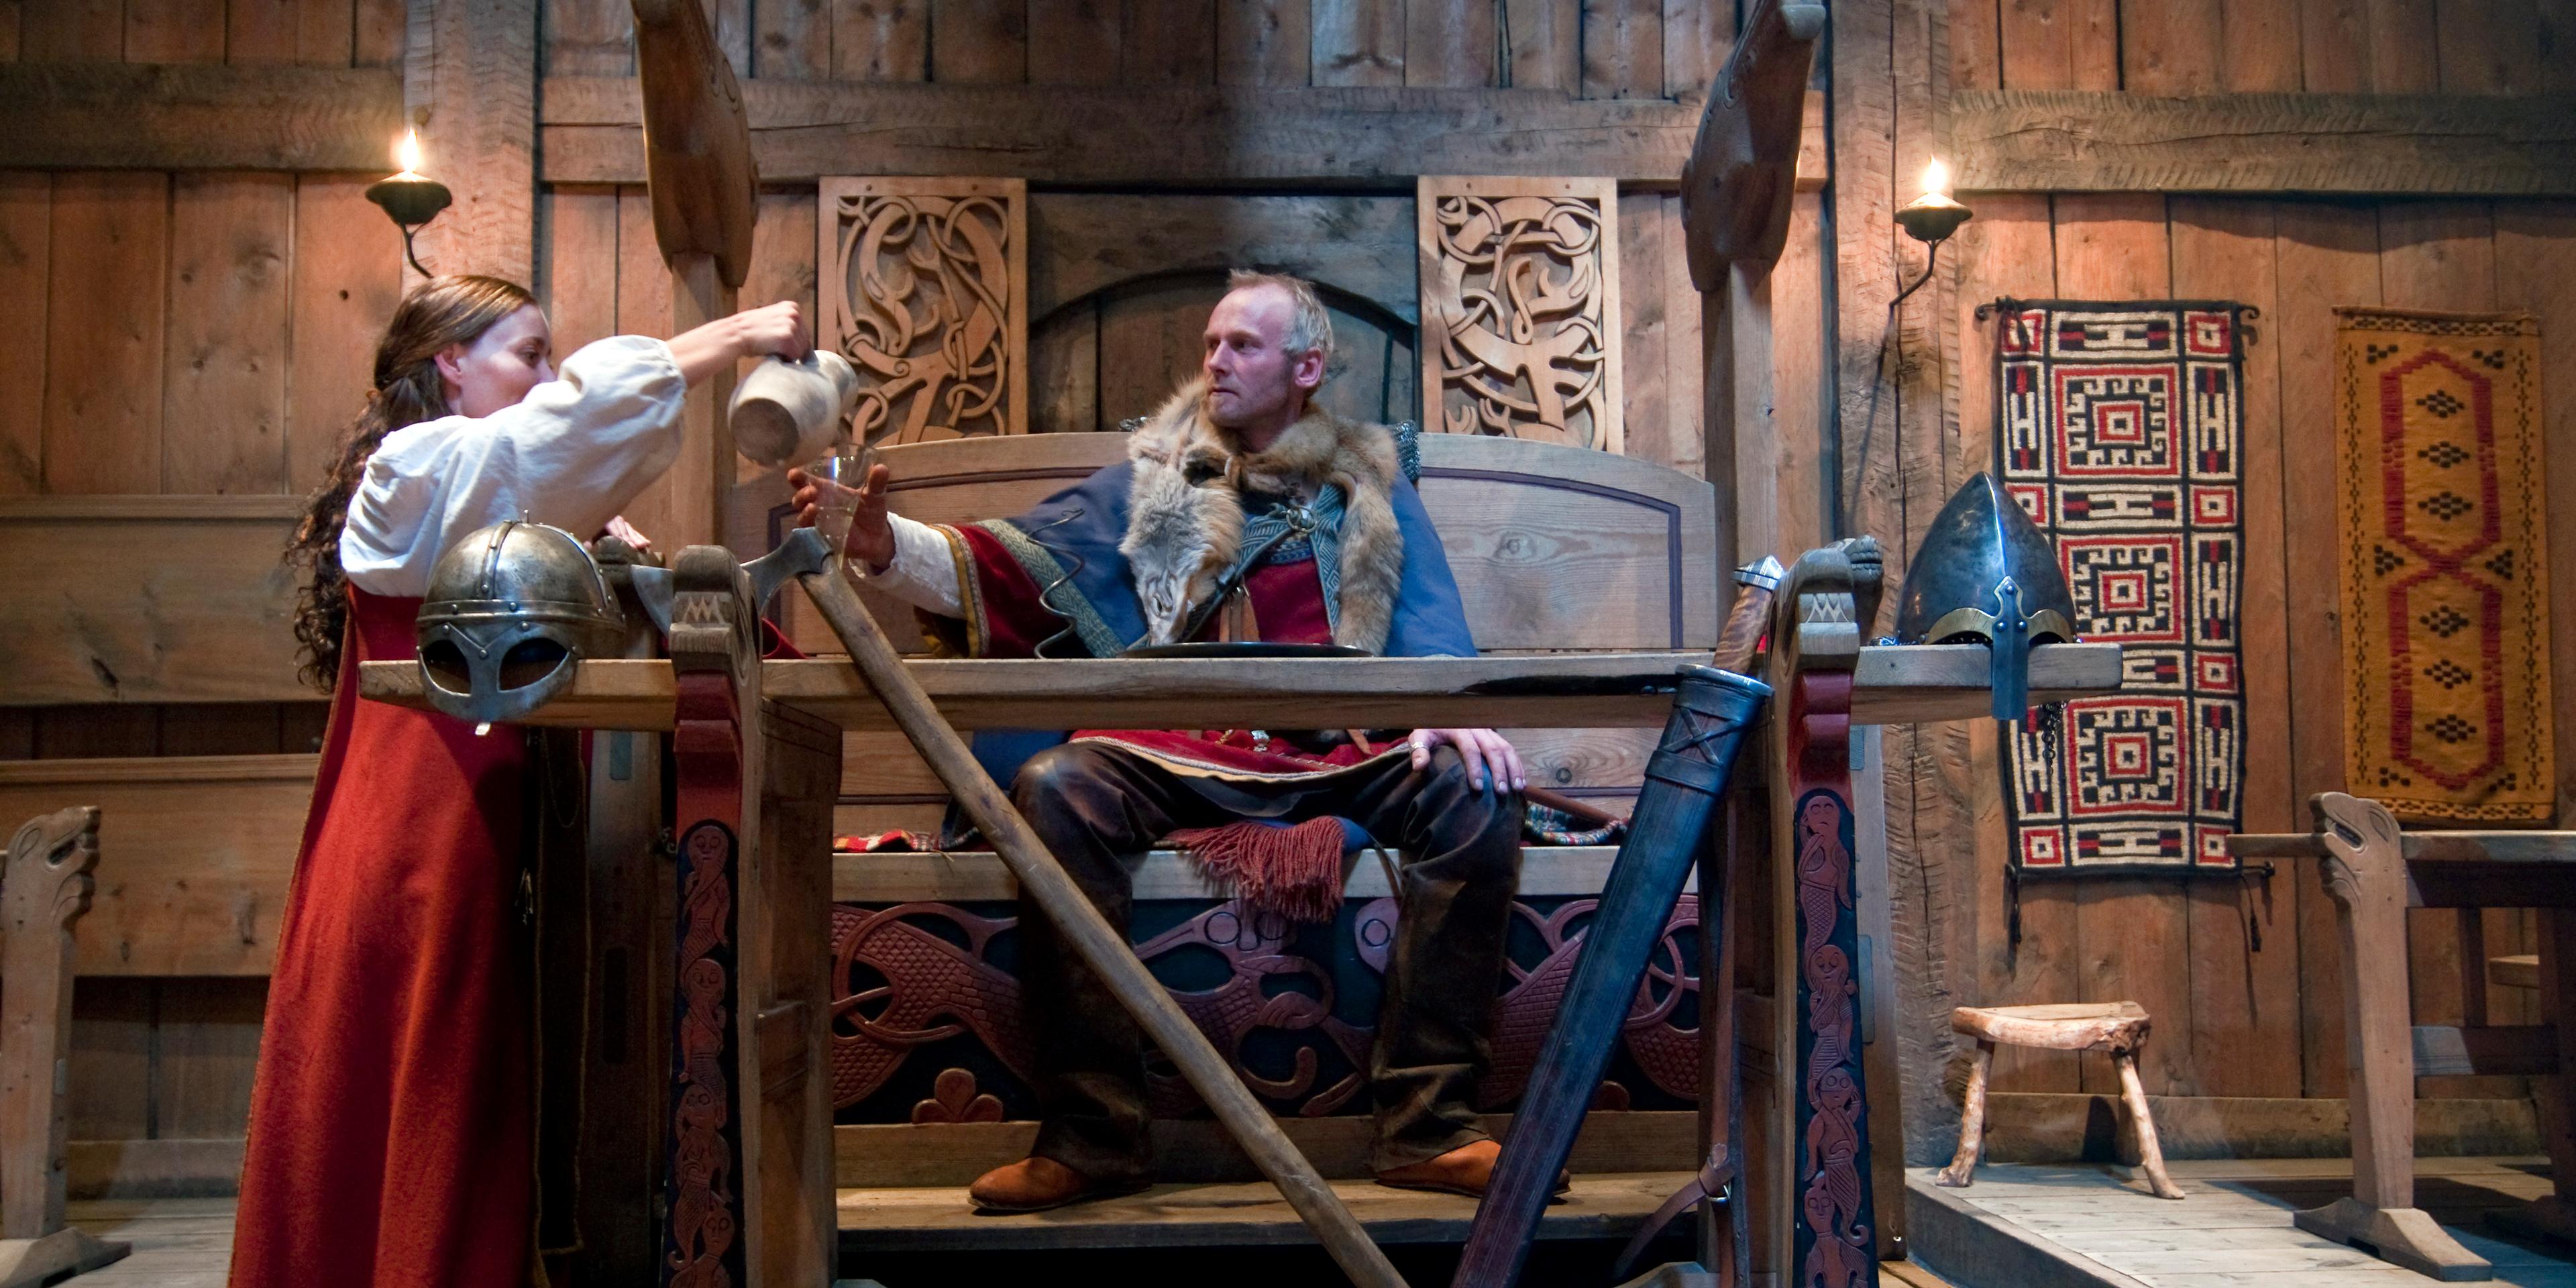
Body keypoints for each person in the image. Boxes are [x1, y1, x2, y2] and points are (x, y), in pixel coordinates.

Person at [791, 270, 1528, 1212]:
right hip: (1175, 749)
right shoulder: (1151, 480)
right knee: (1059, 787)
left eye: (1243, 346)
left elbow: (1428, 619)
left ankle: (1430, 1128)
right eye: (1211, 343)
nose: (1216, 359)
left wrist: (1448, 708)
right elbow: (1010, 567)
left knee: (1477, 790)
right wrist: (884, 545)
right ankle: (1094, 1138)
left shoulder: (1370, 487)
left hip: (1339, 755)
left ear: (1308, 367)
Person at [235, 275, 808, 1287]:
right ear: (449, 362)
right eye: (528, 353)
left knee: (487, 1056)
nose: (546, 374)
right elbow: (551, 436)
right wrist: (726, 339)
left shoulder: (484, 489)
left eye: (549, 358)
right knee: (435, 1040)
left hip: (494, 806)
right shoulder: (414, 467)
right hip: (421, 813)